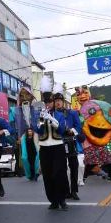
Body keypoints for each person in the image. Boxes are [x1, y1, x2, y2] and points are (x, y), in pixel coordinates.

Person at [37, 79, 70, 210]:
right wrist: (41, 118)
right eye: (46, 102)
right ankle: (53, 200)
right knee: (47, 175)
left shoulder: (60, 115)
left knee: (59, 173)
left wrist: (51, 119)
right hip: (44, 148)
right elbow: (38, 130)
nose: (48, 104)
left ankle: (62, 200)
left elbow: (61, 130)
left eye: (50, 102)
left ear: (53, 103)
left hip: (57, 147)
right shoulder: (40, 114)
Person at [54, 92, 83, 201]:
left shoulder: (72, 113)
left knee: (74, 166)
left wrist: (72, 130)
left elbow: (78, 127)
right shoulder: (52, 114)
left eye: (59, 101)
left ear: (63, 102)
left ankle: (74, 190)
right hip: (58, 143)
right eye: (56, 101)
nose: (58, 103)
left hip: (71, 142)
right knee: (62, 168)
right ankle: (66, 191)